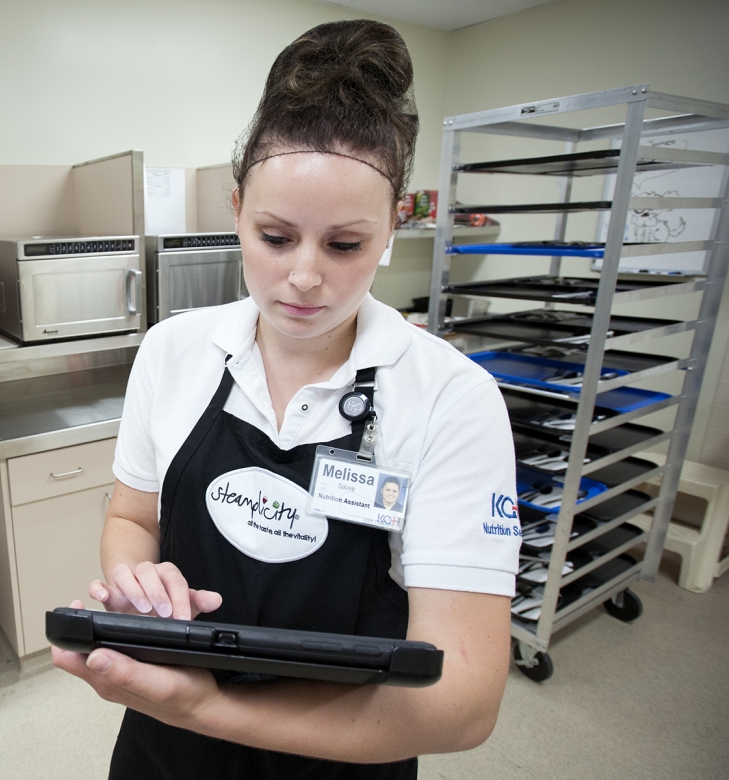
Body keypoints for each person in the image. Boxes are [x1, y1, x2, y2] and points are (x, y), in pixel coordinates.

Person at [53, 19, 520, 780]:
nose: (304, 276)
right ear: (237, 209)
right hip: (165, 751)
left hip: (347, 753)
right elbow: (133, 519)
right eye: (275, 237)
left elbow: (463, 703)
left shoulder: (450, 399)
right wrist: (140, 582)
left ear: (392, 227)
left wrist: (206, 707)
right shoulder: (174, 352)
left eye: (344, 245)